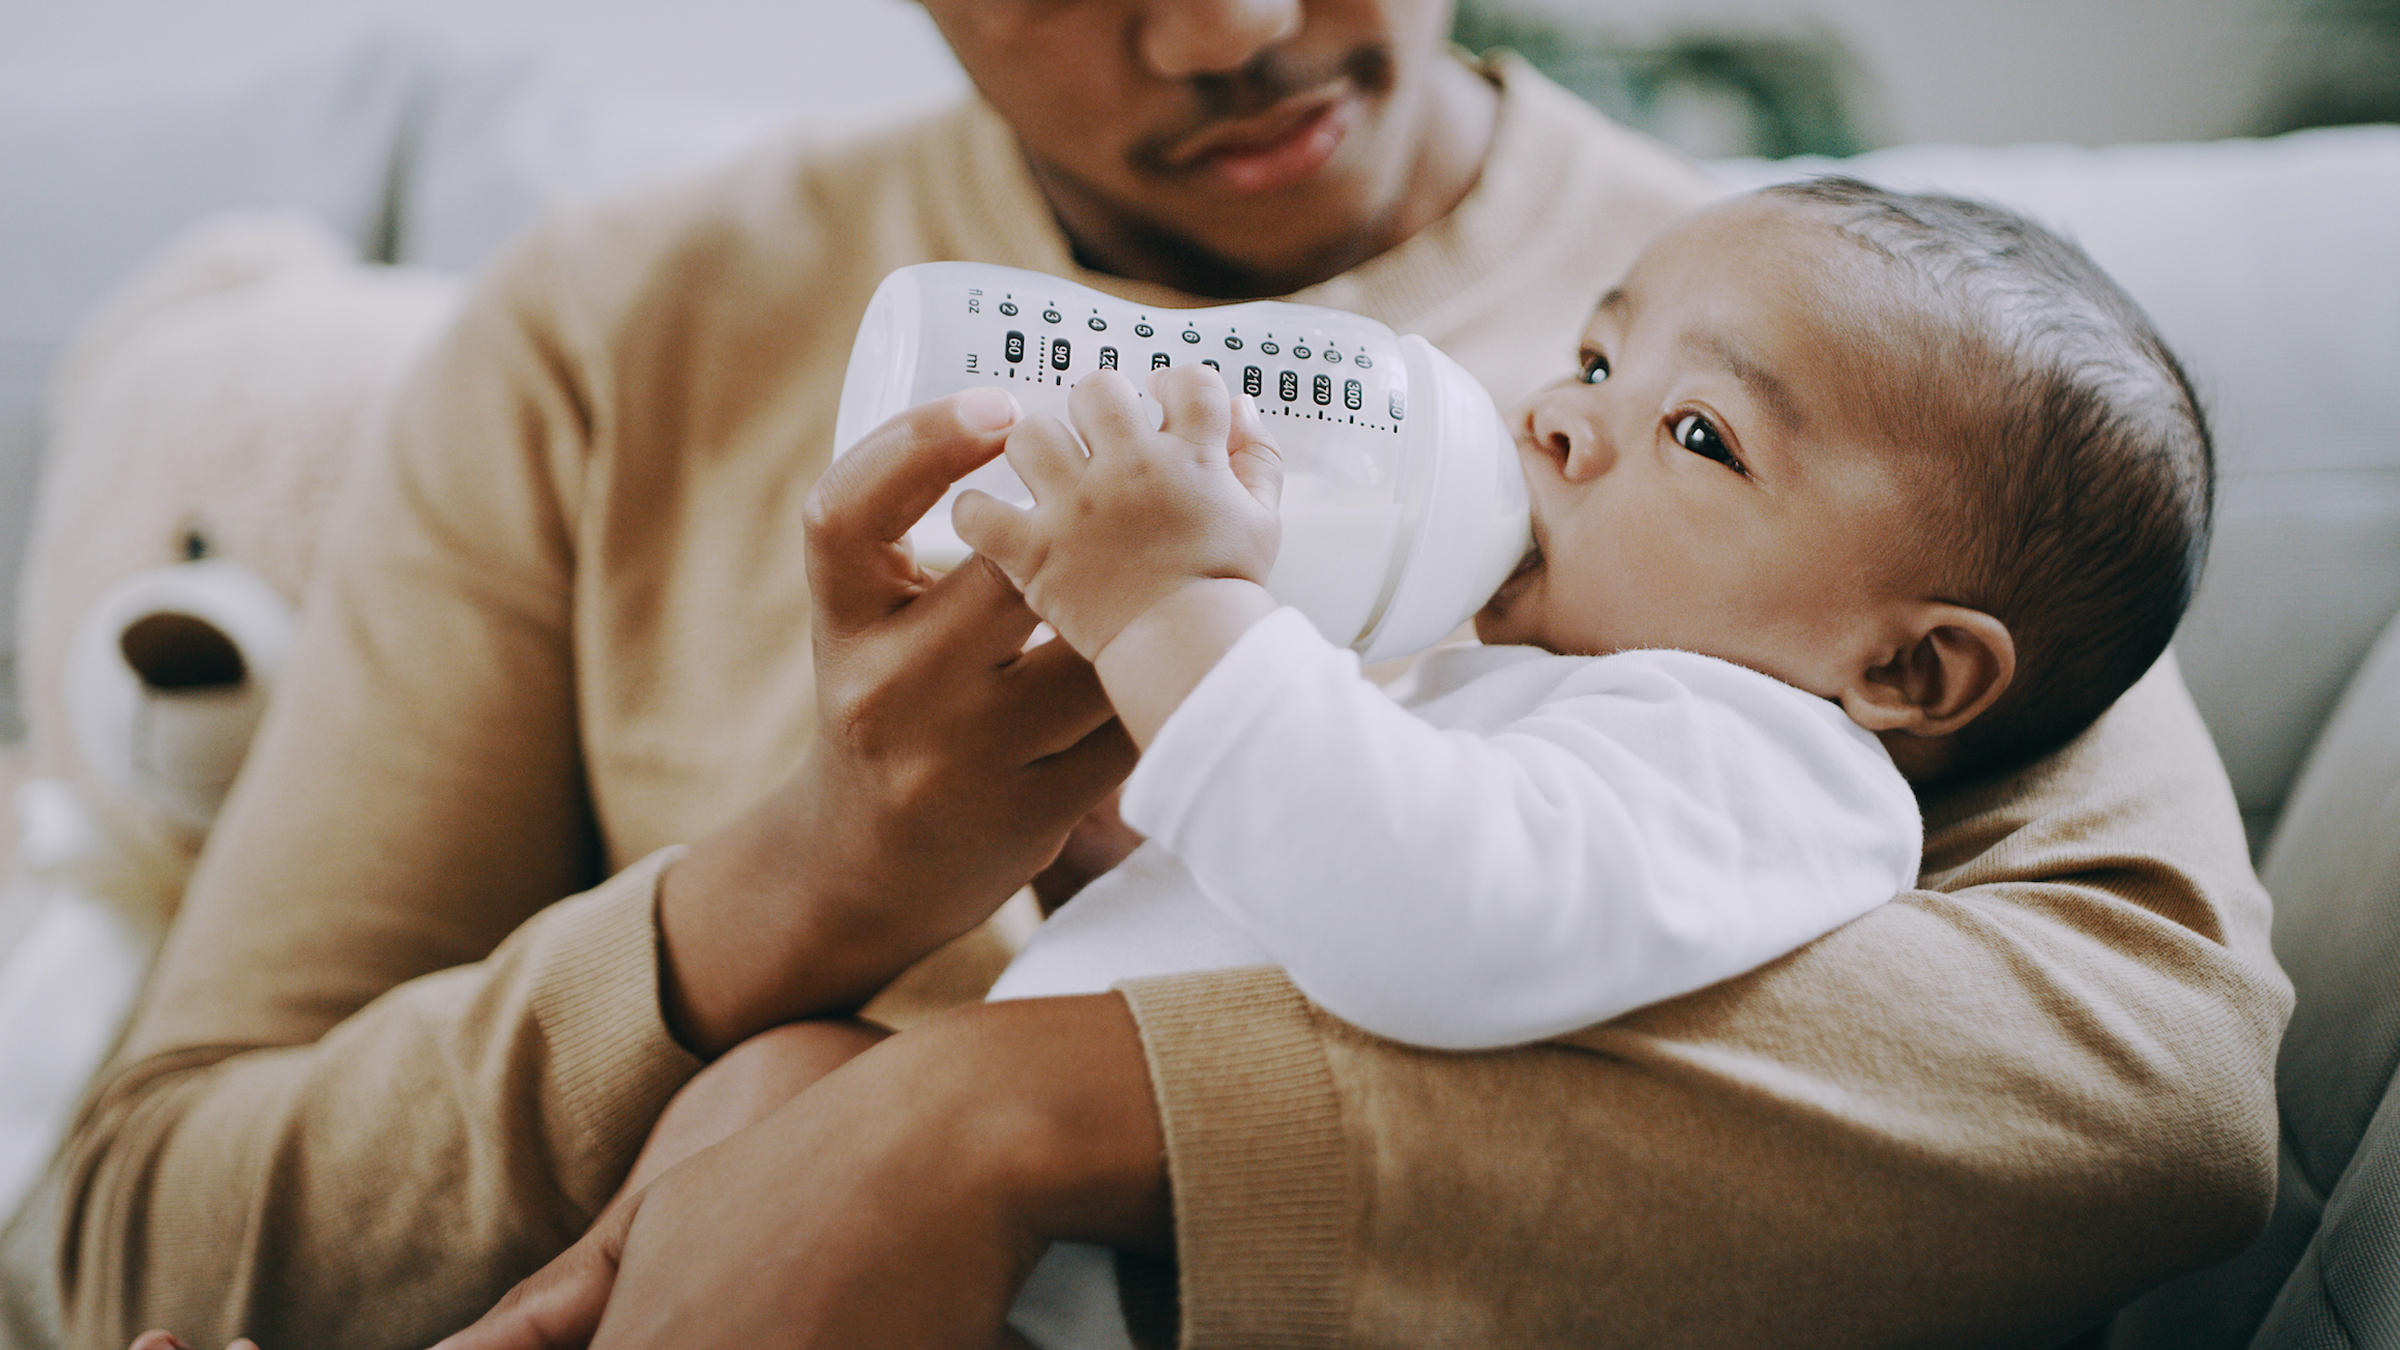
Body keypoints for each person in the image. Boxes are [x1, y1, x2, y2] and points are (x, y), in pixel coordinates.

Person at [58, 2, 2288, 1349]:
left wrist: (1007, 1124)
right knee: (782, 1080)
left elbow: (2139, 1098)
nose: (1228, 31)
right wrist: (818, 882)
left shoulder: (1849, 388)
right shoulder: (618, 336)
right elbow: (136, 1230)